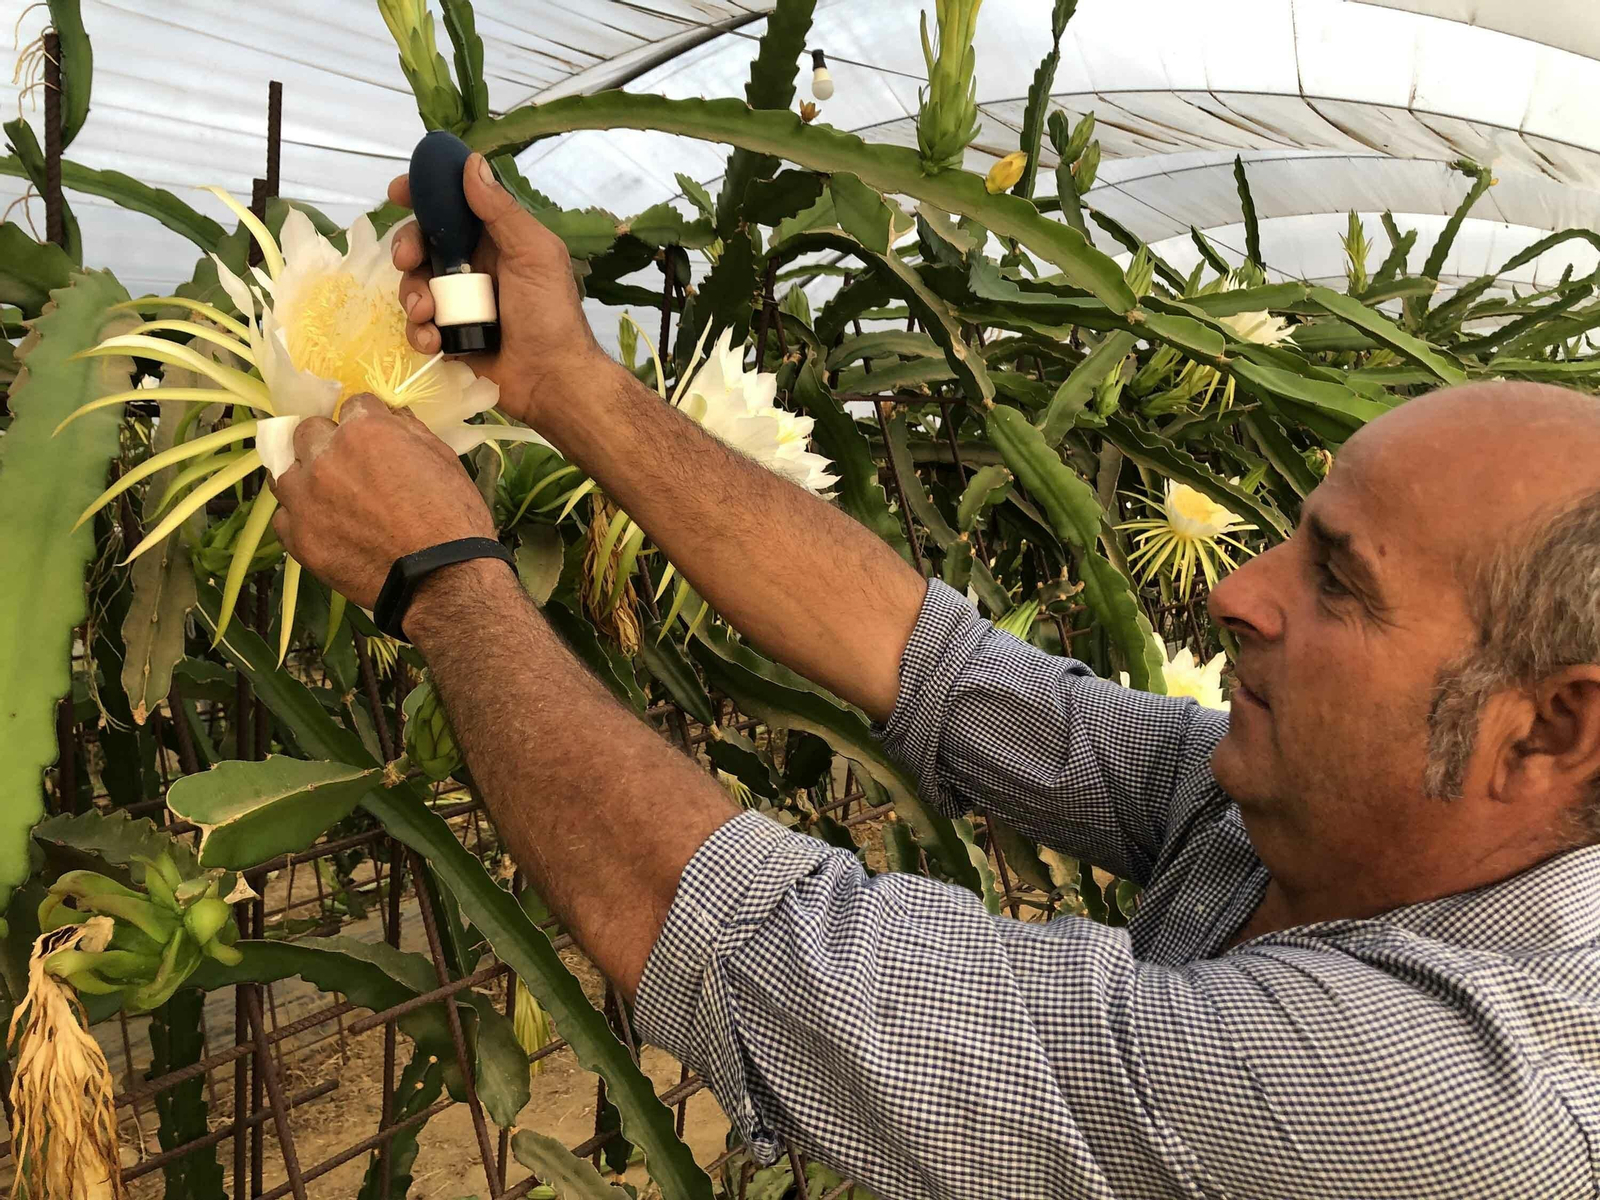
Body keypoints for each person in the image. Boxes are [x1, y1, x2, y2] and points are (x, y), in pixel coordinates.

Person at [268, 154, 1600, 1199]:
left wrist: (443, 579)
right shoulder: (1319, 810)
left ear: (1549, 728)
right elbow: (941, 664)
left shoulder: (1456, 1101)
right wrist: (568, 384)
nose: (1234, 593)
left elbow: (779, 965)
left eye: (1338, 583)